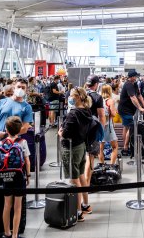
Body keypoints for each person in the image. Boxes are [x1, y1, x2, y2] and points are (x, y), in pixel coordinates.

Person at [59, 87, 93, 222]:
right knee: (80, 175)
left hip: (71, 148)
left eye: (72, 95)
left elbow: (66, 133)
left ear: (78, 97)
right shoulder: (87, 111)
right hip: (81, 146)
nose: (70, 97)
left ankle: (78, 211)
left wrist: (61, 133)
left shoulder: (73, 113)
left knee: (74, 180)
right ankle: (85, 204)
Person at [0, 116, 31, 238]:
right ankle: (15, 234)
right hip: (19, 176)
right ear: (19, 130)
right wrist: (28, 175)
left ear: (6, 130)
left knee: (7, 205)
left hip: (6, 175)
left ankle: (7, 232)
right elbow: (27, 161)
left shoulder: (2, 142)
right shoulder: (22, 142)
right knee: (18, 207)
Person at [0, 79, 33, 153]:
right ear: (14, 88)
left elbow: (24, 128)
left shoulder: (27, 107)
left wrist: (5, 134)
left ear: (26, 90)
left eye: (23, 87)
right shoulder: (2, 102)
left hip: (12, 144)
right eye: (18, 87)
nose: (20, 89)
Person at [84, 75, 105, 206]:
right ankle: (87, 185)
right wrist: (100, 132)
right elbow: (102, 116)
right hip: (91, 131)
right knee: (90, 158)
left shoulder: (78, 94)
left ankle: (80, 184)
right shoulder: (97, 97)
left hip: (78, 130)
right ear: (96, 84)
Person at [118, 70, 144, 156]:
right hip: (125, 110)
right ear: (131, 77)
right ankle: (126, 147)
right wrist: (139, 108)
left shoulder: (134, 84)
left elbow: (139, 95)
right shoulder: (128, 85)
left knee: (127, 127)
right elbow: (133, 97)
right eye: (135, 76)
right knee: (130, 127)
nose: (136, 78)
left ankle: (125, 146)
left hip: (130, 110)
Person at [99, 84, 118, 164]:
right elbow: (113, 114)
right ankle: (112, 165)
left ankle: (101, 165)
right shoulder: (110, 101)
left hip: (100, 125)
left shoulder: (99, 100)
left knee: (100, 148)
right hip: (108, 126)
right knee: (115, 146)